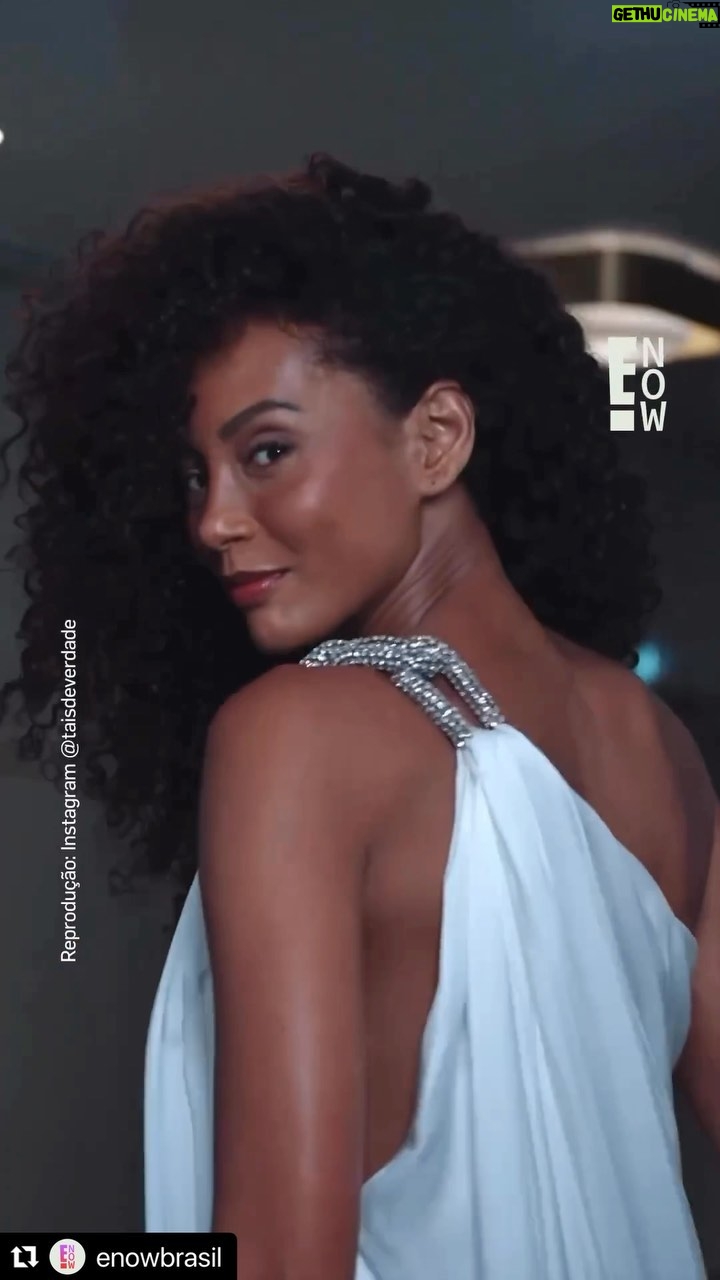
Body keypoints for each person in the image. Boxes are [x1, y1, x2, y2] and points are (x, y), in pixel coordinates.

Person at [1, 152, 718, 1279]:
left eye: (266, 451)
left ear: (435, 438)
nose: (213, 522)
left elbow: (279, 1260)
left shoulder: (295, 736)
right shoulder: (659, 744)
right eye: (193, 476)